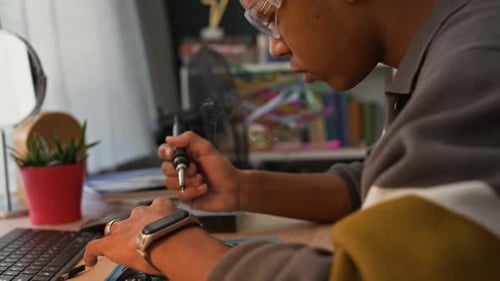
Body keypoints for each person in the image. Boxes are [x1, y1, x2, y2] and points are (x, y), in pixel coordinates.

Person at [84, 0, 500, 280]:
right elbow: (375, 185)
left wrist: (166, 240)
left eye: (268, 14)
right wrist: (242, 188)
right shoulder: (448, 50)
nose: (276, 46)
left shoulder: (478, 63)